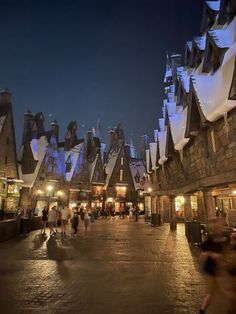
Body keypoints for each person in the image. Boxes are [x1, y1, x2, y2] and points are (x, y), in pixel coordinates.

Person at [199, 218, 230, 314]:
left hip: (220, 269)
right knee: (215, 293)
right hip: (214, 271)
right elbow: (204, 250)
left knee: (220, 293)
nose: (223, 227)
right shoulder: (212, 238)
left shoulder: (224, 237)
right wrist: (211, 254)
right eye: (222, 225)